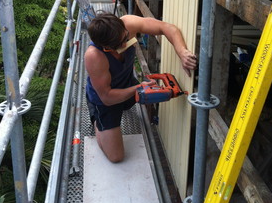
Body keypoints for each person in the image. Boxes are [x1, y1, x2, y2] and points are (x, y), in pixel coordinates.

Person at [84, 12, 197, 163]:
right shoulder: (94, 56)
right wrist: (139, 88)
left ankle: (126, 101)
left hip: (127, 82)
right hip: (105, 98)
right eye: (119, 45)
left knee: (133, 100)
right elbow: (107, 97)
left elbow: (166, 27)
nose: (125, 45)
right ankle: (98, 120)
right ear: (105, 47)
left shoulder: (128, 23)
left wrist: (182, 52)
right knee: (116, 157)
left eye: (125, 38)